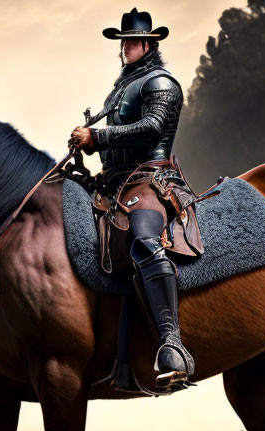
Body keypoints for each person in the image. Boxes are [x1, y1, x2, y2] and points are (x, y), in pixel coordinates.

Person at [70, 8, 194, 391]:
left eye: (133, 41)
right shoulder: (122, 86)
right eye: (123, 42)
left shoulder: (161, 82)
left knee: (143, 240)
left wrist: (99, 137)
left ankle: (172, 344)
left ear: (149, 43)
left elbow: (153, 127)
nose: (126, 47)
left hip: (151, 180)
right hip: (116, 183)